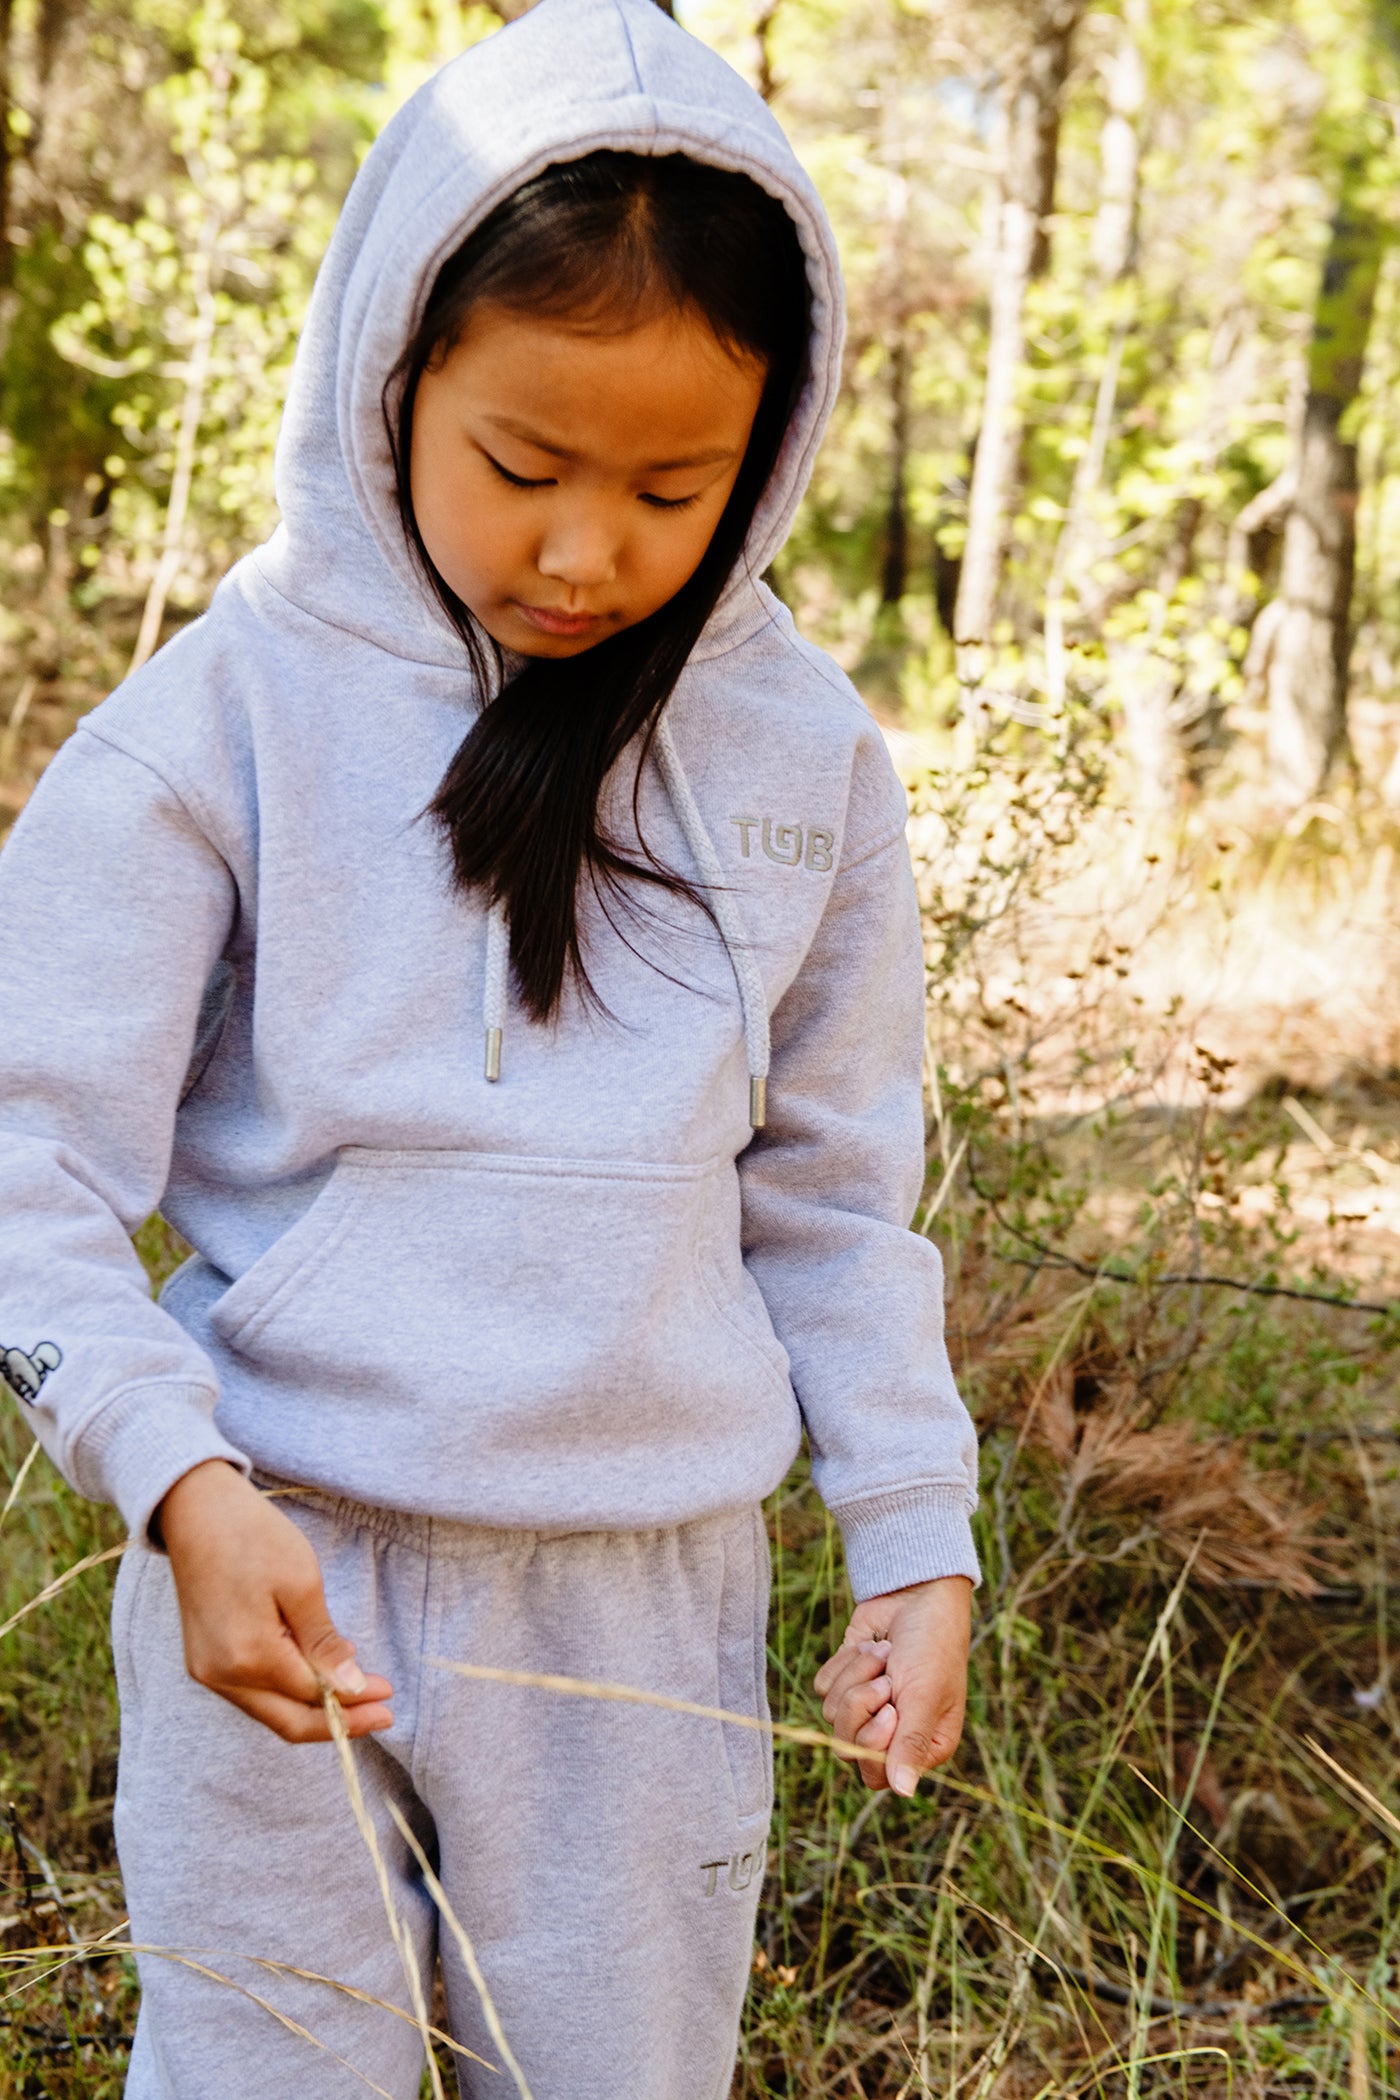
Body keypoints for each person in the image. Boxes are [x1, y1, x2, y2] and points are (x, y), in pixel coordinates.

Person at [0, 0, 980, 2092]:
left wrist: (911, 1525)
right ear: (391, 380)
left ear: (772, 448)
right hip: (286, 1566)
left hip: (648, 1616)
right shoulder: (219, 726)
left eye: (672, 488)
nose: (582, 552)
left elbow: (830, 1195)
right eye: (522, 466)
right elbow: (28, 1169)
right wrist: (173, 1483)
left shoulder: (803, 760)